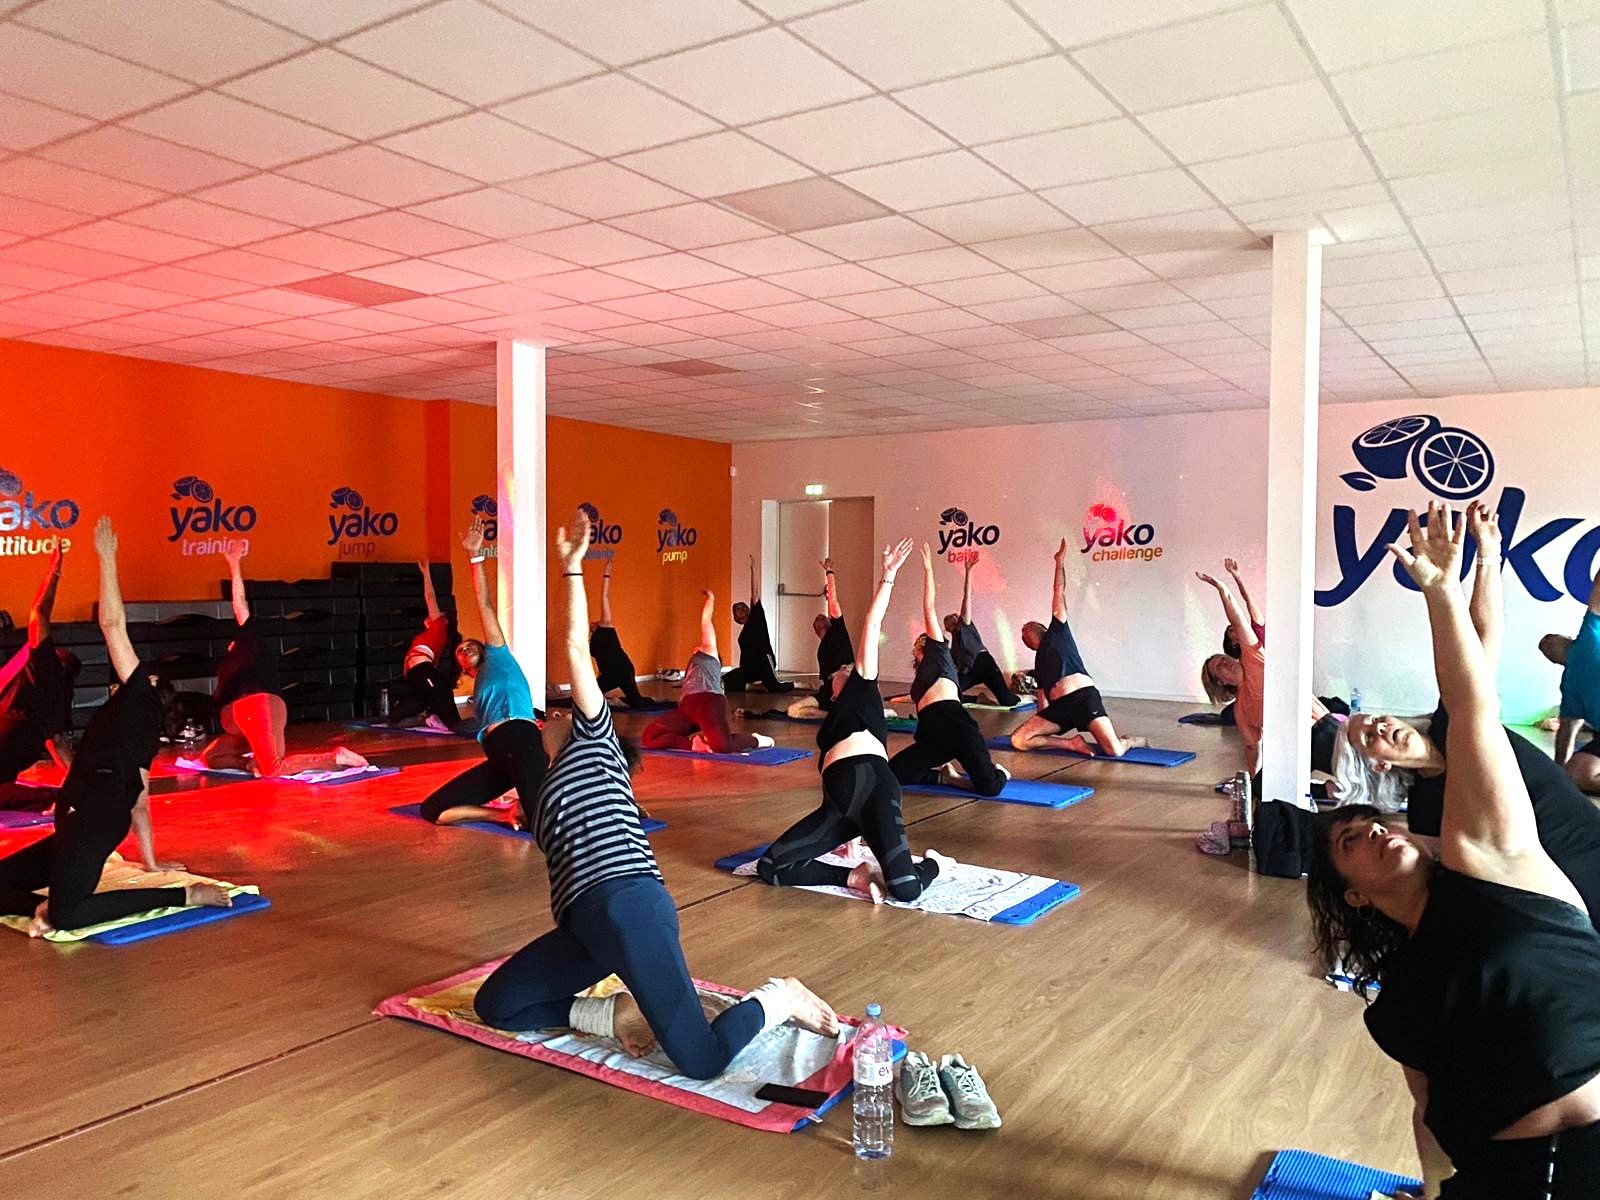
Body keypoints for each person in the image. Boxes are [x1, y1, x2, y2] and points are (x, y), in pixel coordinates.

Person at [473, 511, 839, 1077]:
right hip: (583, 926)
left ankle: (780, 997)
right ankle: (612, 1012)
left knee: (701, 1060)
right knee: (497, 1005)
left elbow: (575, 648)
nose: (554, 714)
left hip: (629, 907)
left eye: (561, 711)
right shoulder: (545, 791)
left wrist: (572, 570)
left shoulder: (595, 744)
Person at [1308, 502, 1600, 1198]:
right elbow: (1427, 1109)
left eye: (1372, 825)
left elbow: (1476, 682)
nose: (1377, 832)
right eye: (1353, 838)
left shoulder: (1479, 835)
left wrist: (1463, 575)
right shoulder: (1437, 825)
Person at [1331, 503, 1600, 920]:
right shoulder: (1426, 815)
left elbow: (1484, 635)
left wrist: (1488, 553)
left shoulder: (1452, 721)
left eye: (1378, 719)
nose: (1382, 726)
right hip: (1573, 895)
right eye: (1370, 737)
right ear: (1379, 765)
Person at [0, 518, 232, 935]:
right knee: (32, 895)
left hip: (95, 819)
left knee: (69, 916)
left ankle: (184, 896)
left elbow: (112, 626)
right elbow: (140, 802)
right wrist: (151, 862)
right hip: (77, 814)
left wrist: (107, 557)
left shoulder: (140, 694)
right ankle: (47, 906)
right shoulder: (136, 721)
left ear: (152, 682)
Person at [757, 538, 951, 904]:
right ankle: (853, 876)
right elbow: (832, 779)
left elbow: (871, 624)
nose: (845, 668)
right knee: (771, 867)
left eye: (849, 667)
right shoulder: (830, 719)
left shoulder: (862, 688)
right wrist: (850, 842)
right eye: (839, 671)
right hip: (839, 808)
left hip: (876, 788)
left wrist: (888, 576)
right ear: (830, 692)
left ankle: (935, 865)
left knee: (906, 889)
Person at [199, 541, 369, 778]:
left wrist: (234, 564)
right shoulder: (231, 663)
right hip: (248, 718)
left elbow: (240, 605)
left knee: (273, 769)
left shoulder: (248, 641)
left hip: (256, 708)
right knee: (212, 757)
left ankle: (334, 758)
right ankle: (252, 764)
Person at [418, 515, 547, 826]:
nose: (466, 649)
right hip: (498, 754)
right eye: (460, 651)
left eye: (471, 645)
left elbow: (485, 604)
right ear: (463, 670)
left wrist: (475, 556)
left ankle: (615, 808)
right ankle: (501, 815)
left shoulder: (498, 657)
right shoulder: (477, 692)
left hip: (521, 738)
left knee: (544, 820)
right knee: (432, 810)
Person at [892, 545, 1009, 798]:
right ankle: (945, 777)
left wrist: (928, 569)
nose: (917, 642)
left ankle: (1000, 772)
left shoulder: (939, 654)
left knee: (989, 788)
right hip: (932, 737)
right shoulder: (921, 675)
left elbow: (929, 607)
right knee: (894, 773)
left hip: (958, 729)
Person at [1009, 539, 1145, 757]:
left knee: (1115, 750)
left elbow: (1058, 591)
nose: (1025, 628)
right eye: (1023, 631)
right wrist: (1041, 723)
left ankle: (1132, 741)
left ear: (1042, 628)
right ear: (1028, 643)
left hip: (1083, 698)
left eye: (1029, 626)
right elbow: (1042, 702)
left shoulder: (1058, 632)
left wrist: (1059, 563)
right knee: (1019, 740)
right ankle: (1072, 744)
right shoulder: (1038, 664)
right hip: (1060, 709)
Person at [641, 592, 772, 755]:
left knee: (723, 747)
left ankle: (757, 740)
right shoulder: (692, 666)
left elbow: (706, 620)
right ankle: (696, 745)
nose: (696, 647)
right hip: (687, 708)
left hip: (708, 704)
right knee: (650, 737)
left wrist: (711, 599)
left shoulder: (709, 652)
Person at [0, 544, 78, 808]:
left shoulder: (44, 681)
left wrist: (54, 571)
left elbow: (39, 613)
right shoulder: (44, 700)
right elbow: (58, 744)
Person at [1539, 559, 1600, 795]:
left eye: (1550, 638)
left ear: (1567, 639)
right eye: (1544, 647)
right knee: (1576, 774)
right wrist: (1558, 773)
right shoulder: (1569, 684)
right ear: (1554, 661)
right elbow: (1567, 729)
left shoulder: (1590, 637)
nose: (1547, 644)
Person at [389, 558, 461, 731]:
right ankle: (434, 717)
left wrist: (426, 573)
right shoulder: (433, 637)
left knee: (440, 696)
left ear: (444, 620)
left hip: (421, 671)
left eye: (438, 613)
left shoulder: (439, 627)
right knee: (421, 700)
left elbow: (430, 597)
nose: (434, 614)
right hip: (417, 674)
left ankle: (454, 724)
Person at [783, 558, 856, 721]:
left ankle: (844, 712)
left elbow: (833, 603)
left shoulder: (837, 631)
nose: (820, 617)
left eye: (823, 617)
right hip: (828, 690)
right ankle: (833, 716)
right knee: (792, 710)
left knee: (843, 681)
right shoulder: (821, 650)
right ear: (815, 629)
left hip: (844, 681)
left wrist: (829, 572)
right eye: (817, 619)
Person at [943, 555, 1019, 707]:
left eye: (954, 617)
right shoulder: (954, 649)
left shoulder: (965, 626)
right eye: (948, 620)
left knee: (1008, 702)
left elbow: (967, 598)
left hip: (984, 664)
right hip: (970, 671)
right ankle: (977, 699)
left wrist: (968, 572)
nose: (952, 619)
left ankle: (1021, 694)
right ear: (947, 628)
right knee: (948, 694)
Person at [1199, 557, 1264, 724]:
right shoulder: (1246, 659)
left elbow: (1247, 601)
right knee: (1230, 715)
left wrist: (1236, 577)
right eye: (1231, 631)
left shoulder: (1255, 643)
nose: (1235, 628)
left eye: (1223, 660)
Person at [588, 560, 657, 711]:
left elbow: (604, 597)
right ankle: (614, 700)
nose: (592, 622)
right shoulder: (591, 641)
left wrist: (606, 574)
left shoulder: (606, 626)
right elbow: (600, 663)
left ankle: (647, 700)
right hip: (609, 674)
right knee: (587, 696)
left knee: (638, 705)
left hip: (623, 670)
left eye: (595, 621)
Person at [727, 554, 794, 695]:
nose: (741, 609)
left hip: (764, 662)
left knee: (775, 689)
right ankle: (754, 687)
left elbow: (755, 592)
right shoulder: (743, 634)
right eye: (737, 609)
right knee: (725, 681)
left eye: (742, 606)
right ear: (736, 618)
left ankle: (797, 684)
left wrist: (753, 569)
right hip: (750, 669)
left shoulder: (756, 617)